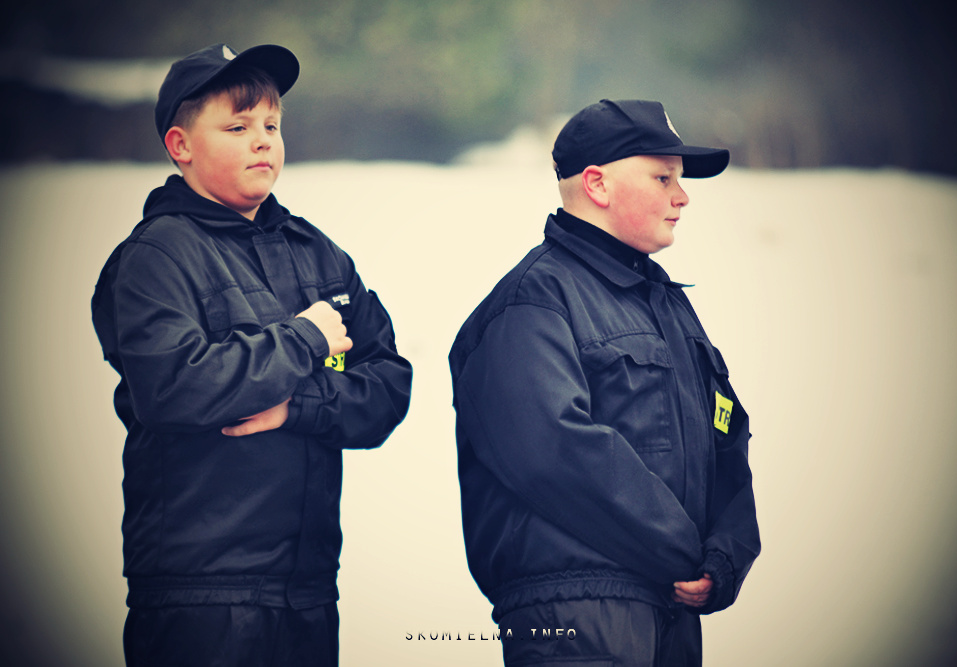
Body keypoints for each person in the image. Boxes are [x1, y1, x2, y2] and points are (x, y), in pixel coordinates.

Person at [91, 43, 412, 666]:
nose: (263, 140)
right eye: (237, 128)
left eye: (272, 125)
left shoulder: (319, 254)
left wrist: (296, 407)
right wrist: (304, 340)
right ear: (181, 145)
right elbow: (174, 388)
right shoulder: (155, 257)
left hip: (309, 590)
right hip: (200, 596)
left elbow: (388, 387)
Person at [448, 99, 760, 666]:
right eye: (663, 178)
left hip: (674, 612)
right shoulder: (532, 301)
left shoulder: (670, 308)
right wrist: (686, 551)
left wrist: (726, 556)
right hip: (572, 616)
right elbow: (554, 451)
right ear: (597, 184)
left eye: (681, 180)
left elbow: (727, 437)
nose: (683, 196)